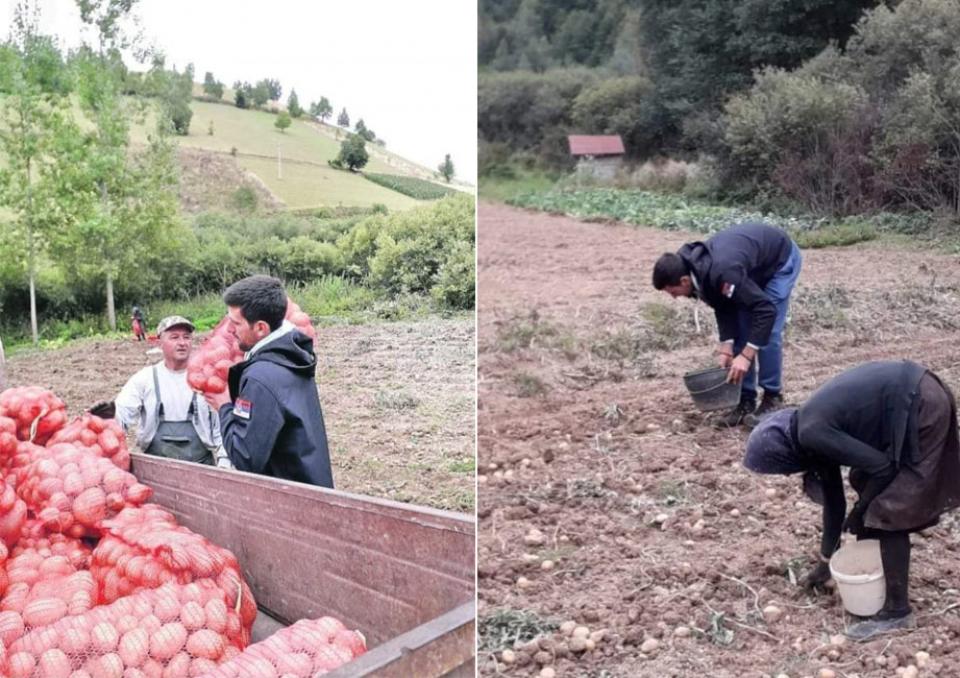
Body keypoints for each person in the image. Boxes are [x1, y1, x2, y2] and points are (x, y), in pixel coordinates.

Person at [744, 360, 960, 641]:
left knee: (887, 506)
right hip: (913, 395)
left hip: (920, 404)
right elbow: (835, 503)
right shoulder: (806, 430)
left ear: (784, 455)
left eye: (783, 469)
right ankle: (880, 573)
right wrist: (825, 563)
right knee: (866, 484)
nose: (787, 474)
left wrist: (861, 510)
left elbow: (882, 468)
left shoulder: (812, 433)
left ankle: (897, 611)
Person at [652, 222, 802, 427]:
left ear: (684, 281)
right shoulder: (695, 269)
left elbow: (766, 311)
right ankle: (745, 400)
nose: (674, 297)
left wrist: (746, 355)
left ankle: (772, 398)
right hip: (748, 266)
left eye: (672, 291)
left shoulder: (723, 272)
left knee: (767, 333)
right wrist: (727, 344)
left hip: (779, 259)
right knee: (742, 327)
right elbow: (723, 303)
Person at [203, 275, 333, 487]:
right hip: (310, 484)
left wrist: (224, 407)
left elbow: (245, 458)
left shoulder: (260, 378)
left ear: (261, 328)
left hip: (288, 496)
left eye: (236, 323)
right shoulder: (293, 355)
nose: (230, 330)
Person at [90, 316, 228, 466]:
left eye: (186, 337)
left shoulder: (207, 379)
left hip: (201, 467)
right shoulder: (145, 378)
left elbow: (223, 425)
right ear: (159, 342)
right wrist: (109, 416)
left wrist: (224, 462)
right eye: (174, 337)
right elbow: (123, 415)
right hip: (153, 467)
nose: (182, 343)